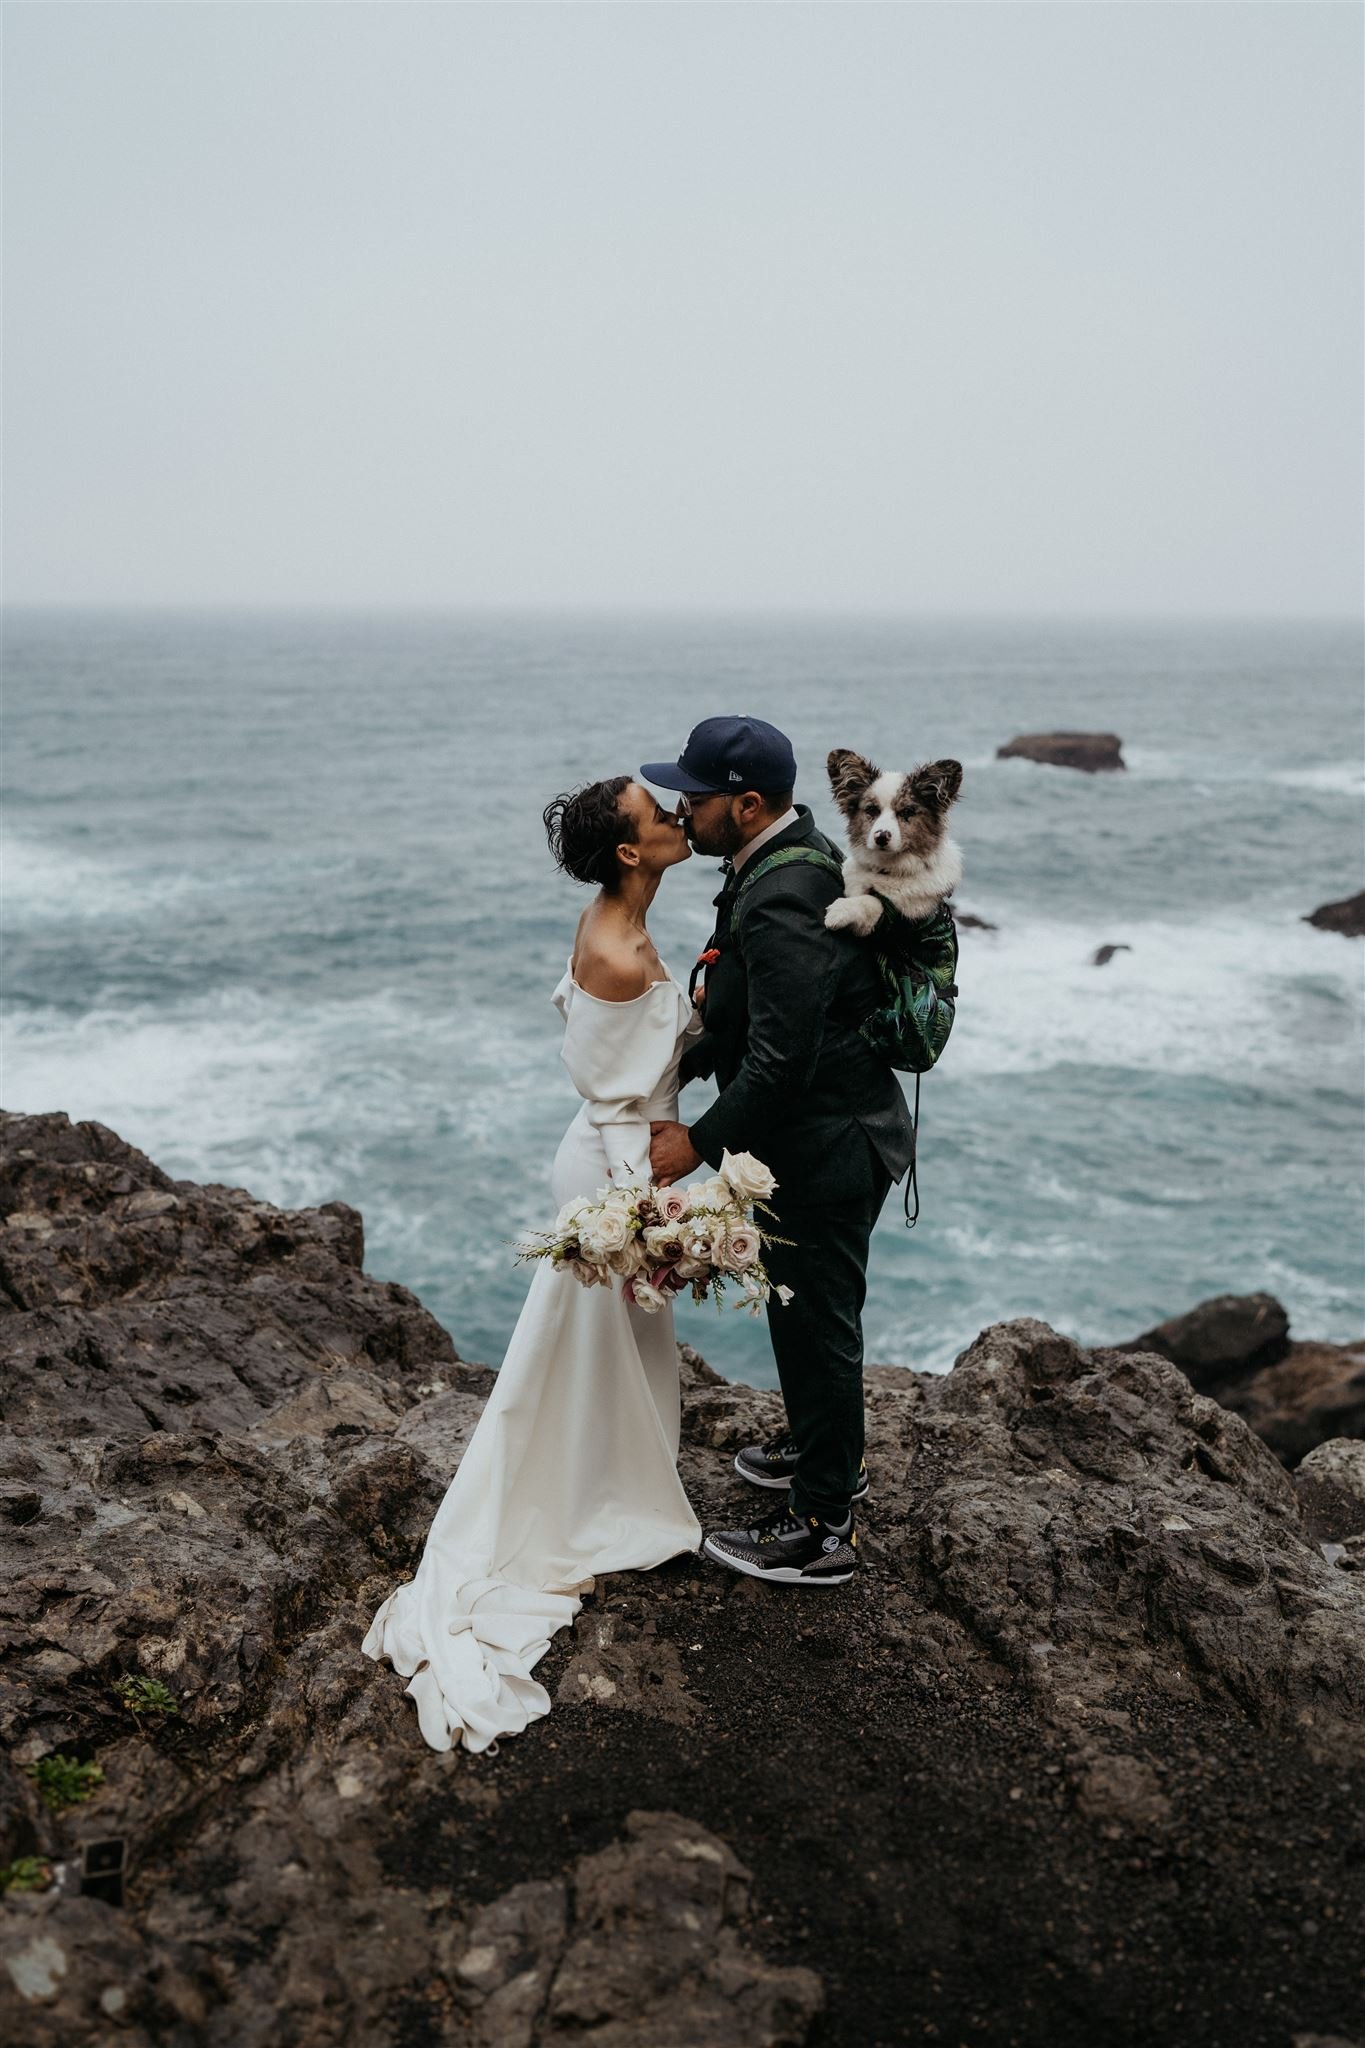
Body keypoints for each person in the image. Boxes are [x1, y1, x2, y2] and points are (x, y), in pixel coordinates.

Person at [361, 776, 703, 1752]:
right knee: (592, 1343)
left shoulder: (626, 907)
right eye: (660, 814)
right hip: (609, 1164)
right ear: (631, 853)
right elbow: (617, 1092)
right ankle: (588, 1504)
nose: (679, 816)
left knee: (611, 1347)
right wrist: (651, 1207)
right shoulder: (615, 942)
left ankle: (605, 1485)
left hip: (616, 1154)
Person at [643, 716, 915, 1587]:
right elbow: (755, 1015)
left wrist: (695, 1142)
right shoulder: (768, 863)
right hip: (817, 1138)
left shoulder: (785, 888)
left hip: (832, 1146)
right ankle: (817, 1449)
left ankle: (822, 1524)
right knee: (799, 1315)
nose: (680, 809)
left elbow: (782, 1055)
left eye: (695, 795)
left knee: (816, 1325)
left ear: (746, 802)